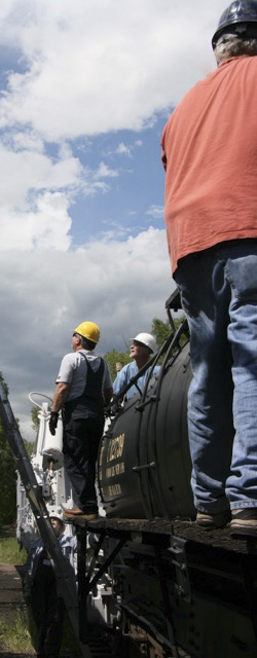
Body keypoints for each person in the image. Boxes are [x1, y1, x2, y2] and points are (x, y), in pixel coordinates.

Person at [161, 0, 257, 537]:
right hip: (247, 226)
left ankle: (210, 499)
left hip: (191, 245)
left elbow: (170, 163)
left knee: (208, 372)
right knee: (252, 363)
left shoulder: (185, 104)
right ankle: (251, 495)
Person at [49, 322, 113, 520]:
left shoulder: (72, 359)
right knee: (90, 460)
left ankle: (86, 507)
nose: (72, 339)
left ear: (78, 339)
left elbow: (62, 388)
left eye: (74, 335)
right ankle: (88, 504)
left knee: (74, 459)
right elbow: (108, 391)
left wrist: (53, 413)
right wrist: (101, 408)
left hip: (77, 416)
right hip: (96, 416)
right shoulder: (103, 364)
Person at [23, 509, 76, 658]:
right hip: (38, 590)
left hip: (58, 591)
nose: (52, 523)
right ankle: (41, 652)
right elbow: (30, 568)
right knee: (40, 622)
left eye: (56, 521)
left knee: (55, 623)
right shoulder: (38, 544)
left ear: (61, 526)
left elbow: (91, 542)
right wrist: (27, 589)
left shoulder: (69, 542)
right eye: (50, 520)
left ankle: (51, 654)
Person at [112, 333, 159, 403]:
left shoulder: (157, 371)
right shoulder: (126, 370)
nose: (131, 346)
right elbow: (115, 395)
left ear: (145, 350)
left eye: (136, 344)